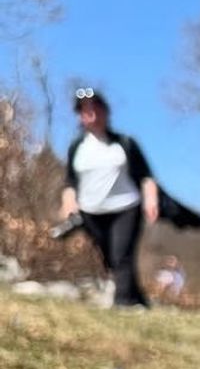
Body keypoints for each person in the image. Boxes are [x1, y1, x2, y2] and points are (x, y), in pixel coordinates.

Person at [60, 88, 158, 307]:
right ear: (79, 115)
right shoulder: (77, 148)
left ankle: (123, 304)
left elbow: (146, 177)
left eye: (95, 108)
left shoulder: (124, 143)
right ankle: (139, 300)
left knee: (121, 254)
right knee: (110, 259)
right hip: (91, 211)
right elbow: (70, 182)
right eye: (84, 110)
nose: (90, 113)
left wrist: (151, 200)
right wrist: (68, 203)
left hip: (126, 207)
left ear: (105, 111)